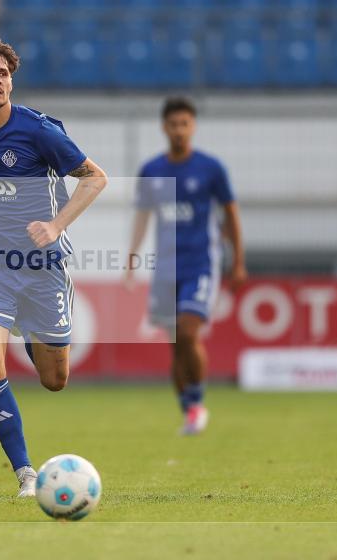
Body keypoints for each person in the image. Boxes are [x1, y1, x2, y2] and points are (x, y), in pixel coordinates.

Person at [0, 37, 107, 497]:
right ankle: (24, 473)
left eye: (3, 73)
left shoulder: (39, 131)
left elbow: (96, 178)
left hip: (42, 269)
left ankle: (30, 331)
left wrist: (57, 226)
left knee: (54, 380)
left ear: (11, 80)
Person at [125, 97, 246, 436]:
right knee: (175, 343)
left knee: (189, 332)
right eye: (173, 124)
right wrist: (132, 257)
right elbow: (143, 216)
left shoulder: (210, 168)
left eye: (185, 124)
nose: (179, 130)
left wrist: (238, 261)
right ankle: (189, 409)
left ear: (193, 127)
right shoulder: (152, 170)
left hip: (201, 264)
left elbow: (231, 214)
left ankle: (198, 401)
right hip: (165, 268)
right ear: (164, 127)